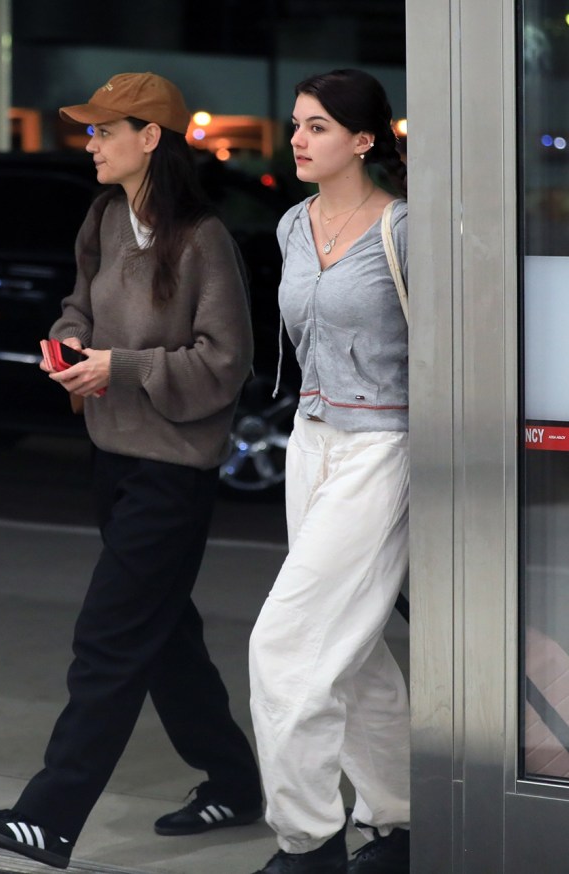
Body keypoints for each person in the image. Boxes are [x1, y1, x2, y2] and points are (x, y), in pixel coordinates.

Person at [0, 71, 263, 870]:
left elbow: (225, 363)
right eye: (89, 131)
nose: (90, 142)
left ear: (149, 137)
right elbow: (76, 308)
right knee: (163, 636)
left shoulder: (203, 239)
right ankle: (234, 783)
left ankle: (49, 818)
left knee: (110, 637)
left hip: (173, 472)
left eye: (103, 130)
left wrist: (117, 367)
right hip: (113, 459)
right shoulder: (101, 217)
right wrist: (66, 348)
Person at [248, 68, 410, 874]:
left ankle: (306, 843)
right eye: (296, 125)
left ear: (363, 139)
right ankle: (400, 819)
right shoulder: (291, 225)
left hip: (383, 444)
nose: (298, 139)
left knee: (286, 645)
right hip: (309, 439)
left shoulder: (403, 228)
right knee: (359, 646)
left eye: (316, 126)